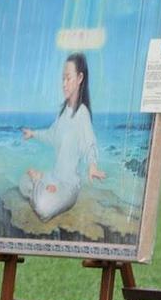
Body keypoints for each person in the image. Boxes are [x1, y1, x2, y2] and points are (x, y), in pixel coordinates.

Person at [19, 53, 106, 221]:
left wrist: (92, 166)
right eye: (62, 79)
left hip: (68, 186)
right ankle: (43, 184)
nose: (64, 84)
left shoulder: (82, 113)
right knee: (23, 181)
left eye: (68, 78)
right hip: (53, 177)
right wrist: (33, 134)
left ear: (80, 78)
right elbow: (52, 135)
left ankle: (39, 184)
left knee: (43, 209)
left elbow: (90, 143)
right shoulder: (64, 112)